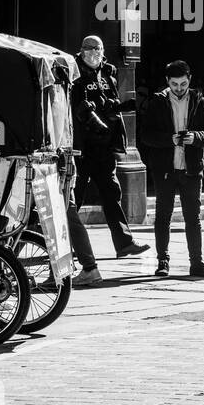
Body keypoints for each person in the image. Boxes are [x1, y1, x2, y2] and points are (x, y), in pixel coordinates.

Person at [69, 35, 150, 279]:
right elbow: (77, 106)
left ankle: (124, 242)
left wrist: (123, 107)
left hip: (104, 147)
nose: (93, 52)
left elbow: (109, 102)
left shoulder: (109, 71)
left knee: (111, 193)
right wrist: (95, 122)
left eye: (98, 49)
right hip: (82, 147)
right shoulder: (74, 71)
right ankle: (62, 245)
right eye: (89, 48)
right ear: (81, 50)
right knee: (74, 199)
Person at [138, 60, 204, 279]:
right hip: (165, 169)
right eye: (174, 84)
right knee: (163, 217)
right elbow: (145, 135)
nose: (179, 89)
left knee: (193, 218)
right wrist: (169, 140)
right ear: (167, 82)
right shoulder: (157, 102)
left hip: (191, 169)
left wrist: (195, 137)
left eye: (183, 84)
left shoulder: (200, 102)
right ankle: (162, 261)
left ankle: (197, 263)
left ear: (189, 80)